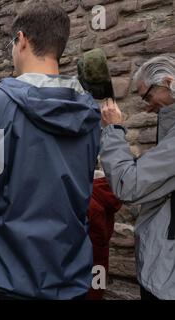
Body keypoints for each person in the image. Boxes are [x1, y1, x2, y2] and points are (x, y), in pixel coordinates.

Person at [0, 1, 101, 300]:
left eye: (13, 43)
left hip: (2, 281)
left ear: (22, 40)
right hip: (68, 282)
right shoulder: (89, 114)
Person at [100, 54, 175, 300]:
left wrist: (113, 130)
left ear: (169, 82)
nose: (146, 105)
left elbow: (128, 184)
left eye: (147, 96)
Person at [86, 172, 122, 300]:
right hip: (101, 258)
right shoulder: (110, 199)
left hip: (87, 257)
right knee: (97, 290)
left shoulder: (89, 200)